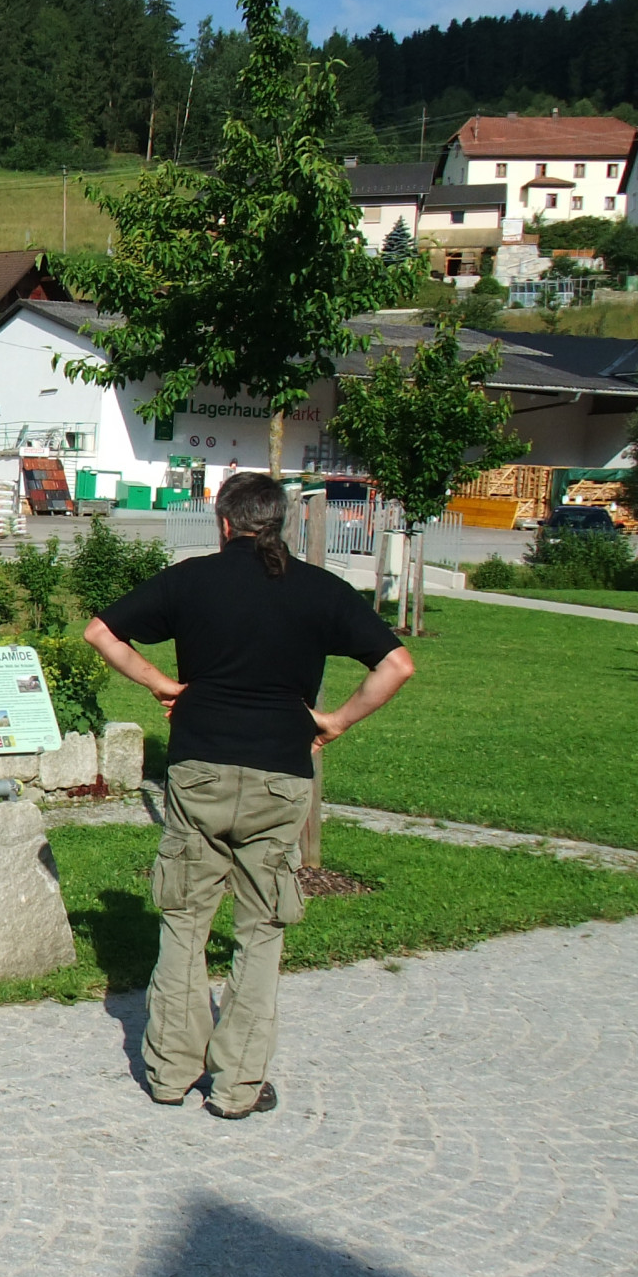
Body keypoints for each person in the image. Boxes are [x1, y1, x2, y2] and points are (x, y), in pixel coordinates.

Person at [83, 473, 415, 1118]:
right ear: (280, 522)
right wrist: (336, 721)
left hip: (199, 769)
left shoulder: (191, 580)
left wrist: (162, 684)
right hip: (280, 776)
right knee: (261, 932)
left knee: (184, 922)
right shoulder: (321, 589)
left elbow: (101, 632)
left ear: (224, 521)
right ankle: (237, 1087)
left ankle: (170, 1073)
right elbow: (397, 664)